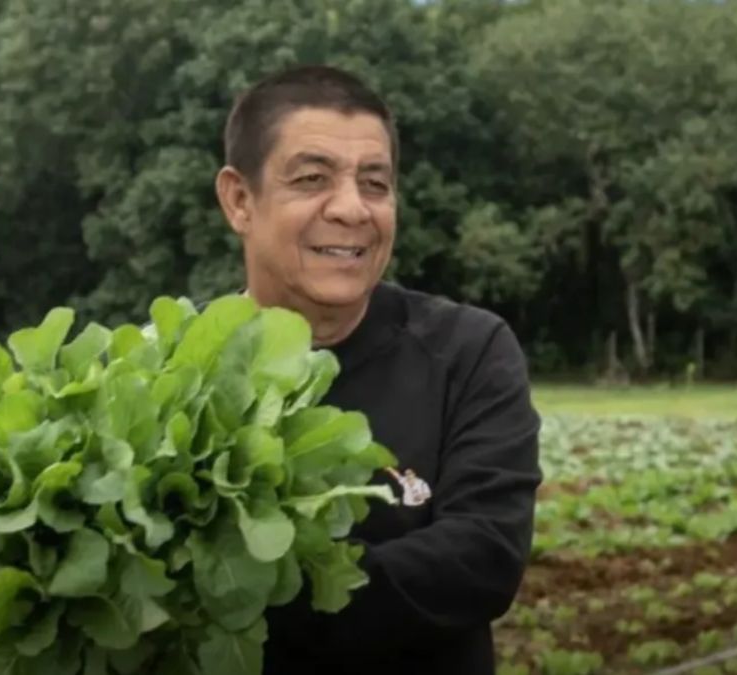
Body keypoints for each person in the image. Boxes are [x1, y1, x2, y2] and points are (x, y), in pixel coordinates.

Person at [214, 64, 543, 675]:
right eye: (312, 179)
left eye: (375, 183)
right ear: (239, 200)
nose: (351, 209)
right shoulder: (170, 368)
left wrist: (234, 588)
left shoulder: (467, 352)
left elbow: (482, 559)